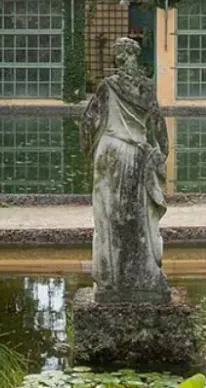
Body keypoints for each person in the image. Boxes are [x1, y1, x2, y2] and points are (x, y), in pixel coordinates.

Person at [80, 37, 171, 304]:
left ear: (121, 57)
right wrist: (161, 153)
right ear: (135, 56)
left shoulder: (108, 86)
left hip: (110, 152)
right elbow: (157, 123)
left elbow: (88, 123)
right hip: (136, 153)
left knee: (109, 216)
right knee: (137, 217)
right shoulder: (145, 87)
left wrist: (90, 153)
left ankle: (112, 280)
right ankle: (142, 277)